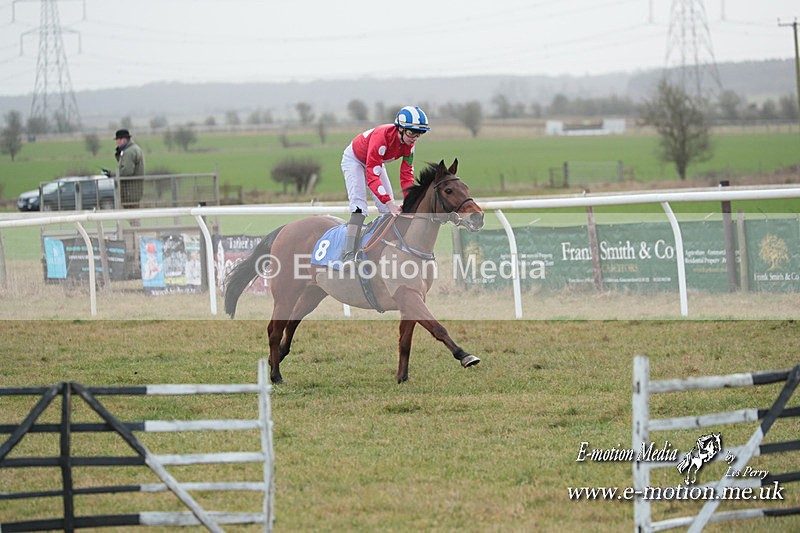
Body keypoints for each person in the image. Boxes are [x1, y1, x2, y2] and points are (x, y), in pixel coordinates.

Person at [340, 105, 430, 261]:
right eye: (411, 132)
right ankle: (348, 255)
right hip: (355, 160)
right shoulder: (381, 138)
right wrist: (388, 202)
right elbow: (372, 175)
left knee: (389, 211)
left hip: (374, 162)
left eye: (419, 134)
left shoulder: (410, 147)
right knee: (360, 207)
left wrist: (410, 201)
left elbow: (406, 175)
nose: (414, 138)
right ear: (400, 129)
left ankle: (383, 250)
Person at [113, 129, 145, 208]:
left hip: (129, 191)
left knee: (132, 214)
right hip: (135, 190)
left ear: (123, 140)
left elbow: (127, 171)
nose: (116, 142)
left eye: (117, 140)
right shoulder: (134, 148)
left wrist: (112, 174)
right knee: (134, 214)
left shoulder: (129, 152)